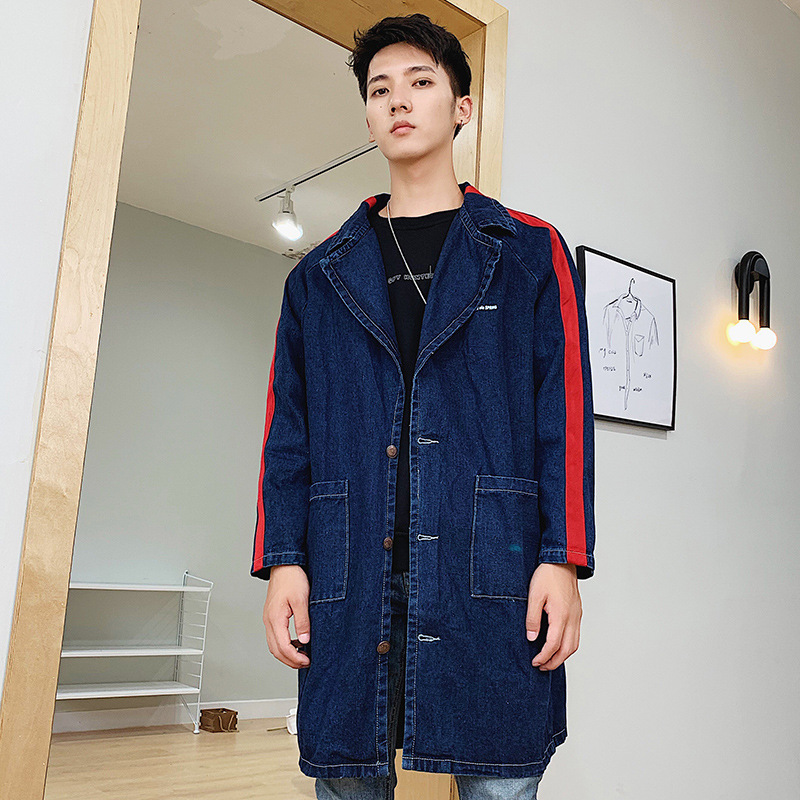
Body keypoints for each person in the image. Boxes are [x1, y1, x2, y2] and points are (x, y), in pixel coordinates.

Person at [251, 13, 596, 800]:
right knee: (347, 776)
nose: (398, 101)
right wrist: (284, 560)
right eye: (379, 90)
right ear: (368, 117)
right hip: (349, 568)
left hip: (492, 563)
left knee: (501, 777)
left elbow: (565, 414)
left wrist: (563, 556)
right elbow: (287, 433)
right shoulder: (318, 276)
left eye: (420, 81)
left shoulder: (528, 250)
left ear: (461, 106)